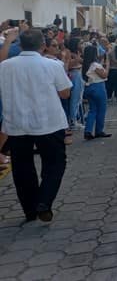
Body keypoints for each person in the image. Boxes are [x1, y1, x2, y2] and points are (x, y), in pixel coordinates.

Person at [0, 29, 72, 222]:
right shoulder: (52, 65)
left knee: (22, 168)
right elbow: (65, 93)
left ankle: (30, 210)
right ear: (43, 46)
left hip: (17, 123)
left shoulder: (5, 66)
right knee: (55, 163)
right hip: (48, 122)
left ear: (20, 46)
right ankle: (44, 201)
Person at [82, 44, 111, 140]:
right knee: (101, 109)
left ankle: (88, 130)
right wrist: (107, 66)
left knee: (92, 109)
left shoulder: (86, 64)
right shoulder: (94, 65)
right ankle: (99, 130)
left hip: (89, 87)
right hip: (98, 87)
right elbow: (104, 75)